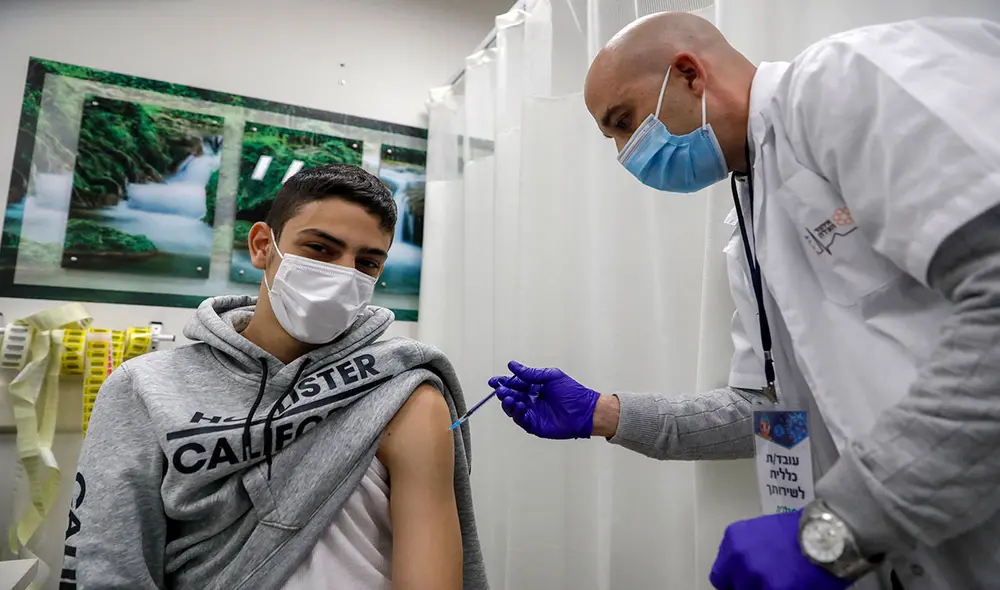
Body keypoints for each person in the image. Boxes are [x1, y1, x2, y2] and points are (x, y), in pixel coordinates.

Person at [489, 12, 1000, 590]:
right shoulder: (750, 219)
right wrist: (603, 413)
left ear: (688, 73)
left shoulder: (844, 83)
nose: (624, 153)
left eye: (625, 122)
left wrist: (843, 525)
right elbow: (773, 411)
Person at [64, 164, 488, 589]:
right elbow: (109, 564)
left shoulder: (403, 395)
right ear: (263, 245)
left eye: (367, 262)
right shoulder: (146, 388)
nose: (344, 274)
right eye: (320, 249)